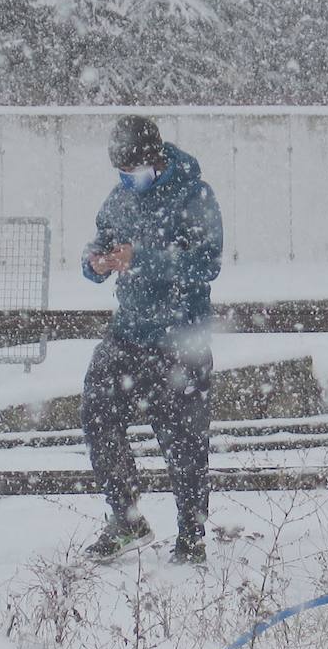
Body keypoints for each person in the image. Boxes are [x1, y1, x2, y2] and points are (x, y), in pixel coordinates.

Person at [79, 115, 223, 564]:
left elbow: (205, 263)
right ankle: (126, 516)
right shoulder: (120, 199)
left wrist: (143, 259)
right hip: (129, 332)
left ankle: (191, 534)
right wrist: (95, 263)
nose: (129, 178)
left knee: (183, 439)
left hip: (180, 337)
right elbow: (98, 244)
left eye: (135, 168)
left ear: (156, 157)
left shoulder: (194, 196)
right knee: (97, 412)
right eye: (122, 171)